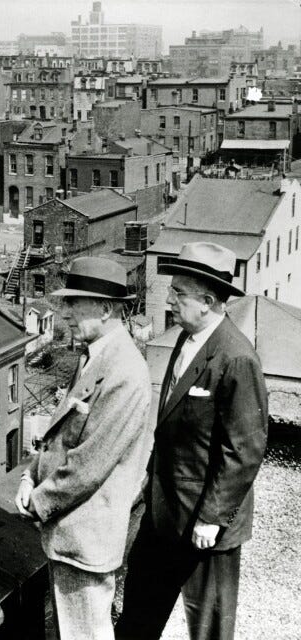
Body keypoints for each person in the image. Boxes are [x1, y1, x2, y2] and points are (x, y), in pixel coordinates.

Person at [115, 242, 268, 640]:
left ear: (208, 300)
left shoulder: (236, 358)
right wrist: (151, 475)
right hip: (164, 513)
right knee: (138, 615)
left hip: (206, 527)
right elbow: (170, 423)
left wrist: (212, 518)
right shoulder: (186, 339)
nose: (168, 298)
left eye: (178, 292)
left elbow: (244, 450)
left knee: (210, 628)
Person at [15, 256, 153, 640]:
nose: (65, 313)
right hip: (73, 537)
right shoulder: (96, 357)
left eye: (75, 303)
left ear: (106, 309)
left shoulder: (125, 371)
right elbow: (60, 439)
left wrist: (37, 502)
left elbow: (89, 463)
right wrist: (29, 475)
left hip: (86, 542)